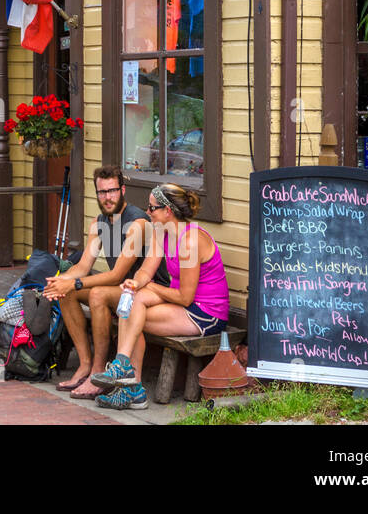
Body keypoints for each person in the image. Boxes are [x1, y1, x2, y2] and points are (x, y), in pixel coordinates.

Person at [91, 184, 231, 410]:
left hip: (205, 312)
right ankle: (126, 372)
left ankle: (130, 384)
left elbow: (186, 297)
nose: (147, 212)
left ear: (168, 211)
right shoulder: (162, 232)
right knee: (131, 304)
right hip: (180, 303)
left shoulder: (190, 241)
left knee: (134, 316)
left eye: (152, 208)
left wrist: (153, 289)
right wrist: (135, 283)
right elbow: (147, 270)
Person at [42, 165, 169, 400]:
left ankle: (99, 373)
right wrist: (58, 282)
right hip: (121, 291)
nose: (107, 197)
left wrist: (76, 283)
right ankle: (85, 365)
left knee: (96, 293)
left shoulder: (138, 223)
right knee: (66, 292)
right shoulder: (98, 223)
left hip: (145, 291)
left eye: (112, 191)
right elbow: (82, 267)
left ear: (122, 190)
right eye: (102, 192)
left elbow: (117, 274)